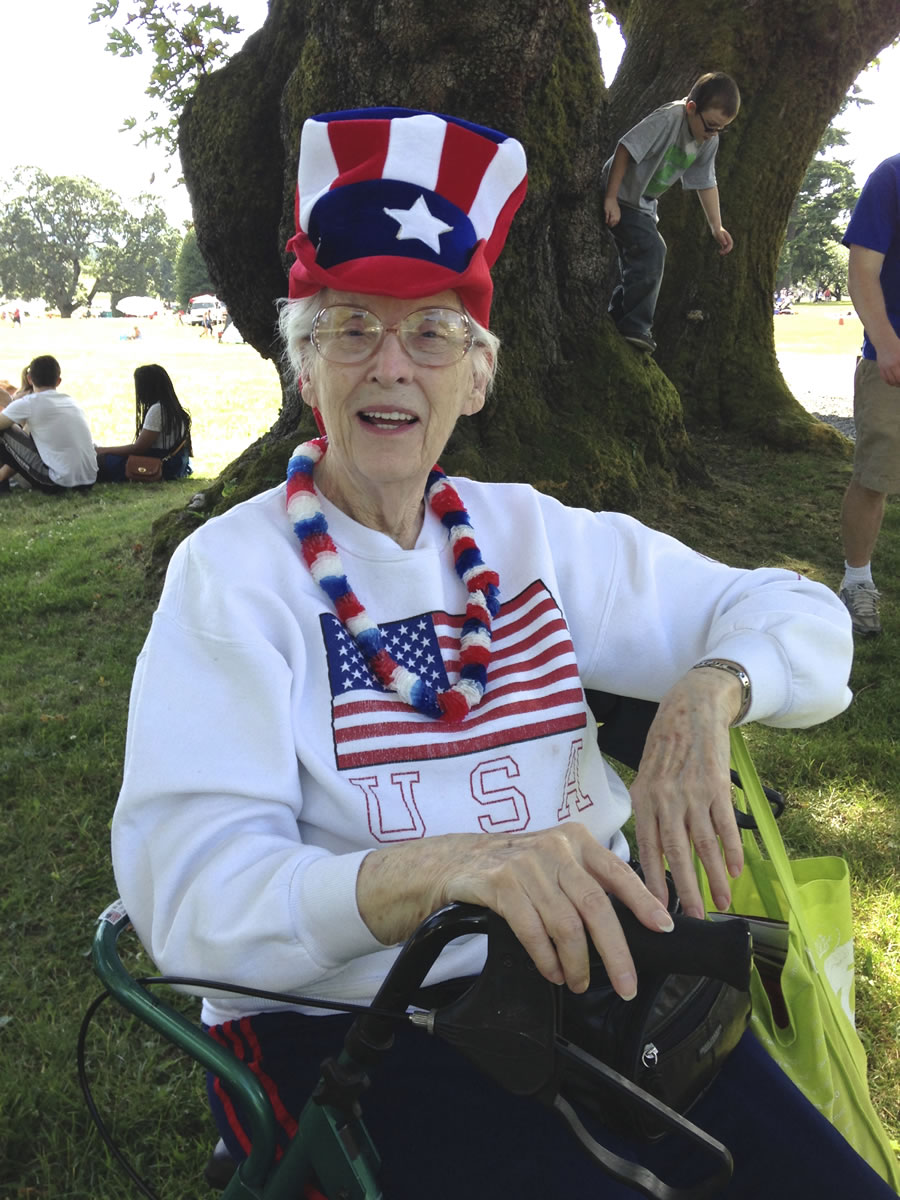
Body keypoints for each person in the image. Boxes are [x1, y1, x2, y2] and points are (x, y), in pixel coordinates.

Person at [110, 109, 895, 1199]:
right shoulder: (231, 577)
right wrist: (440, 874)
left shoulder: (529, 536)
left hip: (606, 977)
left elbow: (791, 616)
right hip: (362, 1023)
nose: (391, 366)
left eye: (431, 332)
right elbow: (190, 899)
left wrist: (711, 694)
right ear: (305, 368)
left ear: (477, 377)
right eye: (350, 329)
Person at [602, 72, 740, 353]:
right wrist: (611, 198)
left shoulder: (707, 140)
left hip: (642, 205)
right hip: (622, 196)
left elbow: (706, 182)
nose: (713, 134)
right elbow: (625, 148)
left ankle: (617, 316)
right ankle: (636, 326)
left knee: (642, 258)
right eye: (711, 126)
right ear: (691, 108)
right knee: (653, 250)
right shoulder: (669, 119)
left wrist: (717, 226)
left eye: (721, 129)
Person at [837, 152, 900, 637]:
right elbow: (863, 270)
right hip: (893, 359)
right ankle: (857, 581)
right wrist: (885, 341)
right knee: (876, 475)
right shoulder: (892, 177)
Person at [0, 354, 97, 494]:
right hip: (88, 480)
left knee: (4, 430)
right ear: (58, 381)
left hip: (57, 483)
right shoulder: (71, 401)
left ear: (29, 379)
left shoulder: (29, 403)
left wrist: (6, 401)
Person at [95, 363, 192, 481]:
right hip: (174, 466)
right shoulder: (173, 408)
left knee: (101, 460)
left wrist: (103, 450)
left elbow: (139, 448)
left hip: (160, 466)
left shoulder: (158, 409)